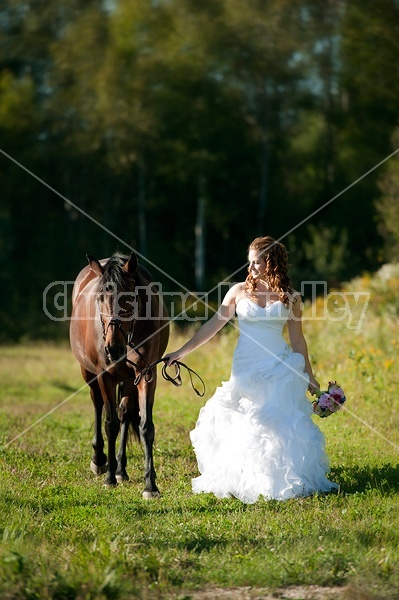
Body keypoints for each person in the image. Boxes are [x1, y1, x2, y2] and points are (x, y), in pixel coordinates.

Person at [164, 236, 339, 503]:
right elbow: (213, 326)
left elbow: (298, 340)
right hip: (246, 365)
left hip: (278, 364)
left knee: (276, 421)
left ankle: (278, 479)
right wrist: (180, 352)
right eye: (250, 262)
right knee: (246, 418)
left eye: (257, 262)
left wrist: (310, 378)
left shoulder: (291, 298)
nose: (252, 268)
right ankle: (243, 477)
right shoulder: (237, 291)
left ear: (271, 261)